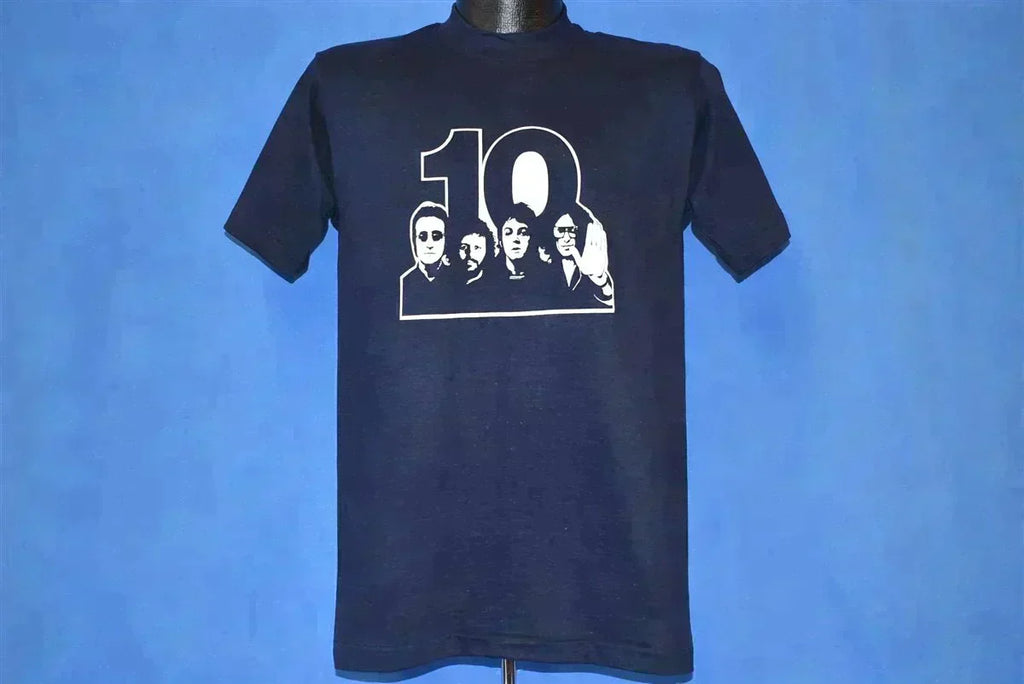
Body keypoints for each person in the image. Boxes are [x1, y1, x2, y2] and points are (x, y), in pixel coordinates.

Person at [548, 203, 614, 308]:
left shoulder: (592, 264)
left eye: (572, 230)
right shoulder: (543, 265)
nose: (566, 238)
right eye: (560, 231)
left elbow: (611, 303)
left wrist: (602, 281)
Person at [399, 201, 453, 316]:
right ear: (414, 240)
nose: (429, 244)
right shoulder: (404, 283)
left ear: (446, 240)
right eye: (423, 237)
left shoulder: (457, 281)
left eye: (436, 236)